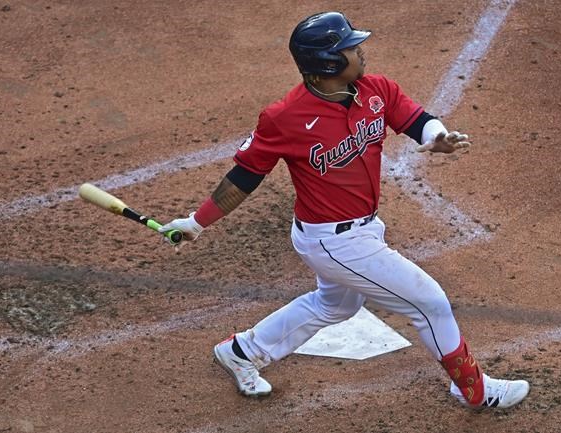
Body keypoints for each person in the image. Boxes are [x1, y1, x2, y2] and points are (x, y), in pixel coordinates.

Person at [159, 11, 530, 409]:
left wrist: (436, 136)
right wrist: (197, 223)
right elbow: (244, 178)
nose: (359, 52)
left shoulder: (375, 89)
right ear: (328, 62)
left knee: (335, 304)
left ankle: (243, 352)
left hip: (362, 230)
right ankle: (473, 389)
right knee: (431, 302)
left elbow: (415, 118)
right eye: (350, 48)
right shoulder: (284, 118)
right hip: (334, 243)